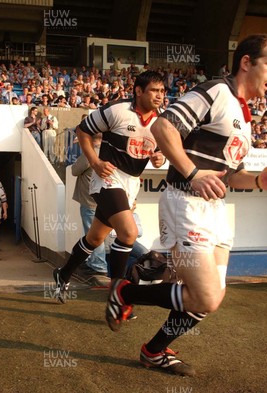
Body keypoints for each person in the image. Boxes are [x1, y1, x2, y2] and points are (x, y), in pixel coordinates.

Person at [103, 35, 267, 376]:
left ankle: (153, 350)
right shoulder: (216, 91)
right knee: (206, 298)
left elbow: (232, 176)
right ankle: (125, 291)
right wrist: (192, 173)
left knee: (206, 295)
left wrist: (260, 181)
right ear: (246, 62)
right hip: (185, 203)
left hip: (216, 211)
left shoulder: (244, 116)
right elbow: (163, 125)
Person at [52, 70, 167, 302]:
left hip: (131, 183)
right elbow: (82, 130)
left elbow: (162, 151)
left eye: (162, 91)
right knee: (128, 232)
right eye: (154, 90)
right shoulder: (117, 110)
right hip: (108, 177)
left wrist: (160, 158)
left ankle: (62, 275)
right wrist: (94, 162)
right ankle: (117, 295)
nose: (160, 96)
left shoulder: (162, 121)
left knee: (94, 239)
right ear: (138, 91)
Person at [70, 132, 108, 276]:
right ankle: (94, 262)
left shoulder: (90, 154)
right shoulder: (106, 153)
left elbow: (74, 170)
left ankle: (98, 265)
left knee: (92, 234)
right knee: (96, 234)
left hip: (90, 201)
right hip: (103, 200)